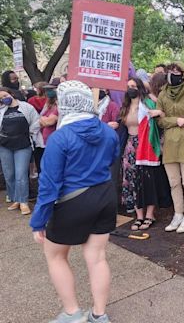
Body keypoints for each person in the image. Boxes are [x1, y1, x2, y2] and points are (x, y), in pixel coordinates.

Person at [30, 80, 119, 323]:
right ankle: (99, 315)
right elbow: (112, 158)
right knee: (98, 257)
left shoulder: (60, 138)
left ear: (65, 104)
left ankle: (72, 313)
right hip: (105, 195)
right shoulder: (108, 132)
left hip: (73, 201)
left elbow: (49, 185)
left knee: (56, 255)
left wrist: (38, 220)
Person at [157, 63, 184, 233]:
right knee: (174, 181)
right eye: (170, 72)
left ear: (183, 74)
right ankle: (178, 213)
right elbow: (160, 119)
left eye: (176, 72)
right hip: (169, 142)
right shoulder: (163, 94)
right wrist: (175, 120)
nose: (172, 75)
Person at [118, 78, 163, 230]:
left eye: (134, 86)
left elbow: (161, 115)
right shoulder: (125, 106)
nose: (131, 89)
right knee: (132, 180)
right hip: (129, 145)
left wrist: (157, 108)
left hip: (144, 144)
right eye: (128, 86)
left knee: (146, 179)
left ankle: (150, 215)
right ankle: (139, 216)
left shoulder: (148, 103)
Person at [0, 87, 39, 214]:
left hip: (22, 145)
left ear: (11, 94)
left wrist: (30, 133)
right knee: (9, 174)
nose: (3, 99)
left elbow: (36, 122)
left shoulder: (26, 107)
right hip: (5, 145)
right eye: (0, 98)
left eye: (5, 95)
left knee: (21, 174)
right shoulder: (1, 110)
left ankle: (23, 201)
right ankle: (16, 198)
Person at [34, 84, 59, 173]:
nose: (48, 93)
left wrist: (42, 120)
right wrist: (42, 120)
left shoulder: (59, 106)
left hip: (52, 142)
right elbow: (40, 120)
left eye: (51, 90)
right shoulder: (48, 105)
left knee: (50, 168)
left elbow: (48, 122)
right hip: (42, 142)